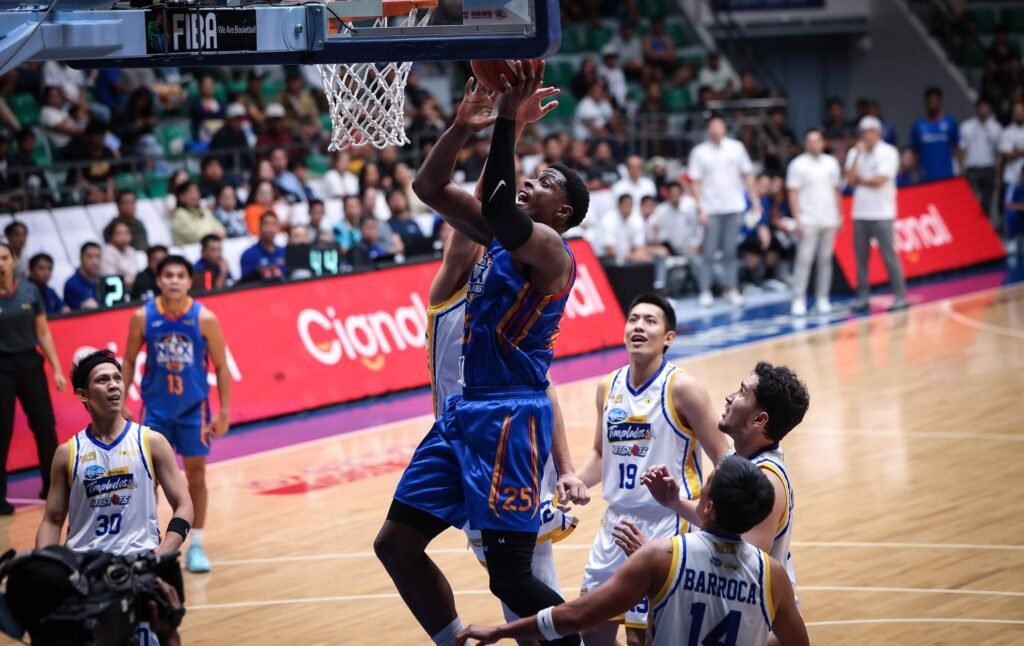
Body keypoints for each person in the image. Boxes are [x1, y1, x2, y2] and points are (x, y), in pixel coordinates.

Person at [376, 63, 589, 646]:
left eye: (544, 182)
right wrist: (463, 127)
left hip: (509, 419)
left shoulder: (552, 251)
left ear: (562, 212)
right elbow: (428, 188)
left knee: (511, 576)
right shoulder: (496, 238)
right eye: (532, 177)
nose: (531, 183)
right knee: (395, 543)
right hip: (463, 413)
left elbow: (497, 204)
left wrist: (508, 121)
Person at [453, 456, 809, 646]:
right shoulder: (773, 575)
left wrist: (500, 631)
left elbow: (577, 616)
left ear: (709, 507)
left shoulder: (664, 556)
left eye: (706, 487)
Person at [573, 293, 727, 646]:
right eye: (633, 319)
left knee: (642, 638)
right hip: (615, 523)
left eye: (650, 321)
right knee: (592, 632)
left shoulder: (683, 388)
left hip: (667, 524)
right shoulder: (607, 386)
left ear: (668, 337)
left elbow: (723, 457)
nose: (639, 326)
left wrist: (707, 512)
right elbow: (600, 454)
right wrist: (576, 482)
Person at [643, 362, 810, 610]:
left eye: (742, 392)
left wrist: (663, 559)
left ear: (759, 419)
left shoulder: (766, 479)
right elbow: (719, 525)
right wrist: (674, 501)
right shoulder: (736, 458)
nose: (730, 397)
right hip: (728, 602)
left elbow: (745, 562)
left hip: (758, 613)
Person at [122, 255, 232, 573]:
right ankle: (149, 543)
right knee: (149, 478)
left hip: (193, 410)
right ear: (159, 280)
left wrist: (224, 411)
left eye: (180, 275)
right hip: (155, 410)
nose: (173, 280)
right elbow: (128, 360)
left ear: (188, 281)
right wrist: (122, 400)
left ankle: (196, 543)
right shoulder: (143, 316)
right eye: (168, 275)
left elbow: (222, 366)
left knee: (196, 475)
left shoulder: (205, 318)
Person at [36, 349, 194, 557]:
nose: (113, 385)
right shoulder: (67, 453)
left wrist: (162, 553)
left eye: (117, 378)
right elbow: (52, 520)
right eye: (102, 380)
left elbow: (184, 505)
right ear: (83, 394)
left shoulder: (152, 442)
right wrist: (45, 563)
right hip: (84, 564)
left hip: (141, 561)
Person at [0, 242, 65, 513]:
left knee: (45, 426)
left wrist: (57, 368)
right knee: (2, 430)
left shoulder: (29, 290)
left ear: (13, 260)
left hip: (30, 363)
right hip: (2, 367)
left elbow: (43, 332)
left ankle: (53, 487)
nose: (0, 263)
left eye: (4, 257)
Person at [688, 115, 759, 307]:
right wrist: (700, 207)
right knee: (709, 252)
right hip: (711, 208)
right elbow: (694, 182)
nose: (716, 130)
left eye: (719, 126)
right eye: (713, 127)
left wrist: (755, 200)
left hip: (734, 206)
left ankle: (731, 288)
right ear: (708, 130)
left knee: (730, 251)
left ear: (724, 129)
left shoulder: (736, 148)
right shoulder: (699, 152)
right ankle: (705, 290)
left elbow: (747, 174)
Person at [846, 116, 907, 312]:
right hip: (860, 213)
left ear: (879, 133)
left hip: (883, 213)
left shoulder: (888, 152)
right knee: (861, 259)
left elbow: (880, 180)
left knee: (889, 256)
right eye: (864, 132)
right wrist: (857, 155)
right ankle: (863, 297)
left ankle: (900, 296)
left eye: (872, 131)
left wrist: (860, 180)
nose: (868, 136)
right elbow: (850, 179)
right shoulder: (854, 152)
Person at [786, 128, 842, 316]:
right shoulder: (798, 165)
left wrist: (839, 214)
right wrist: (797, 218)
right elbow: (793, 193)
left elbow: (836, 190)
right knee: (804, 260)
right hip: (808, 219)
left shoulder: (831, 163)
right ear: (805, 144)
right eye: (810, 141)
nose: (814, 144)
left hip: (829, 218)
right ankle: (798, 299)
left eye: (817, 141)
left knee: (825, 260)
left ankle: (822, 298)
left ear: (823, 143)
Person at [960, 98, 1002, 217]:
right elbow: (962, 149)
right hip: (972, 169)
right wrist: (961, 168)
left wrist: (998, 175)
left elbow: (999, 153)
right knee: (972, 200)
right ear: (977, 108)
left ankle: (985, 225)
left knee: (987, 202)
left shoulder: (996, 128)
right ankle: (971, 225)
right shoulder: (966, 126)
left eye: (986, 107)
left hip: (989, 168)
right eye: (981, 107)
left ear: (990, 109)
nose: (983, 110)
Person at [909, 86, 961, 182]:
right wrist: (915, 171)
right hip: (926, 174)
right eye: (931, 102)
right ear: (926, 102)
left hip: (947, 172)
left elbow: (956, 148)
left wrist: (961, 169)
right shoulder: (918, 125)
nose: (933, 105)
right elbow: (915, 151)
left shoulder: (950, 123)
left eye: (936, 102)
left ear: (940, 102)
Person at [171, 181, 226, 245]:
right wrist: (214, 235)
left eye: (196, 192)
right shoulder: (180, 215)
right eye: (191, 193)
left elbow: (222, 230)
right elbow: (196, 236)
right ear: (181, 197)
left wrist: (218, 234)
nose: (195, 195)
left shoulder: (205, 211)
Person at [240, 211, 286, 280]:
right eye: (266, 224)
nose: (270, 229)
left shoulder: (284, 252)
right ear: (260, 227)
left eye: (274, 224)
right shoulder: (249, 255)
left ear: (278, 228)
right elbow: (245, 283)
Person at [101, 220, 139, 289]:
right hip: (113, 289)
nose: (124, 236)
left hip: (132, 287)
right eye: (119, 233)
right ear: (111, 236)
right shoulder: (107, 252)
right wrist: (128, 280)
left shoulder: (131, 250)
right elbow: (110, 278)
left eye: (127, 233)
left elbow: (135, 273)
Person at [63, 242, 102, 310]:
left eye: (98, 257)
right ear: (81, 257)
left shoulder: (101, 279)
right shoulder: (72, 283)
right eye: (90, 257)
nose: (95, 261)